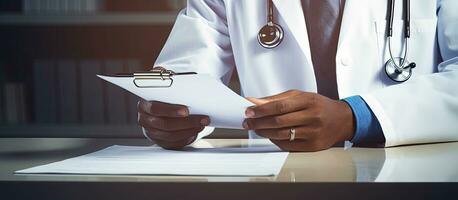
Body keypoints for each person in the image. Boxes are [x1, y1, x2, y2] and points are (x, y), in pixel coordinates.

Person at [137, 0, 458, 151]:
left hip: (407, 175)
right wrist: (170, 113)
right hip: (275, 180)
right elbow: (186, 71)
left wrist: (355, 117)